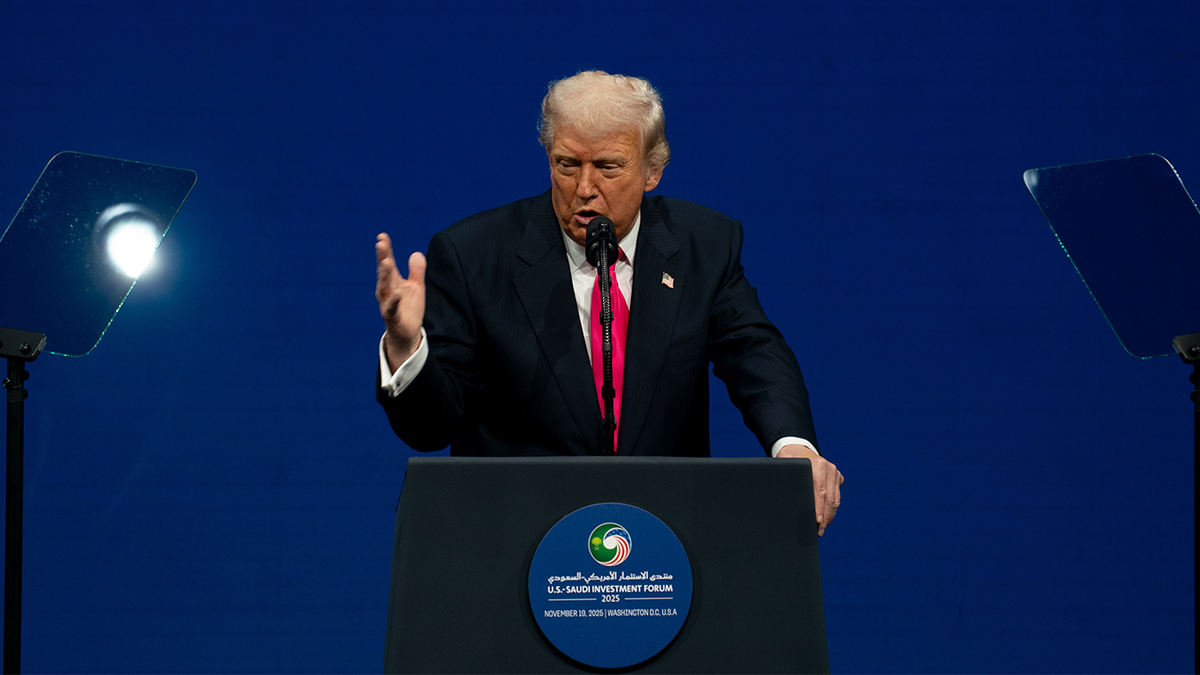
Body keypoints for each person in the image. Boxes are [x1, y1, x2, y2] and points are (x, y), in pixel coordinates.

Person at [375, 71, 843, 535]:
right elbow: (430, 428)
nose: (584, 188)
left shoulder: (704, 243)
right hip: (514, 539)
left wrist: (793, 445)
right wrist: (405, 348)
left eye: (608, 166)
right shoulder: (474, 255)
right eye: (566, 164)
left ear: (652, 170)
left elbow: (752, 351)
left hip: (661, 544)